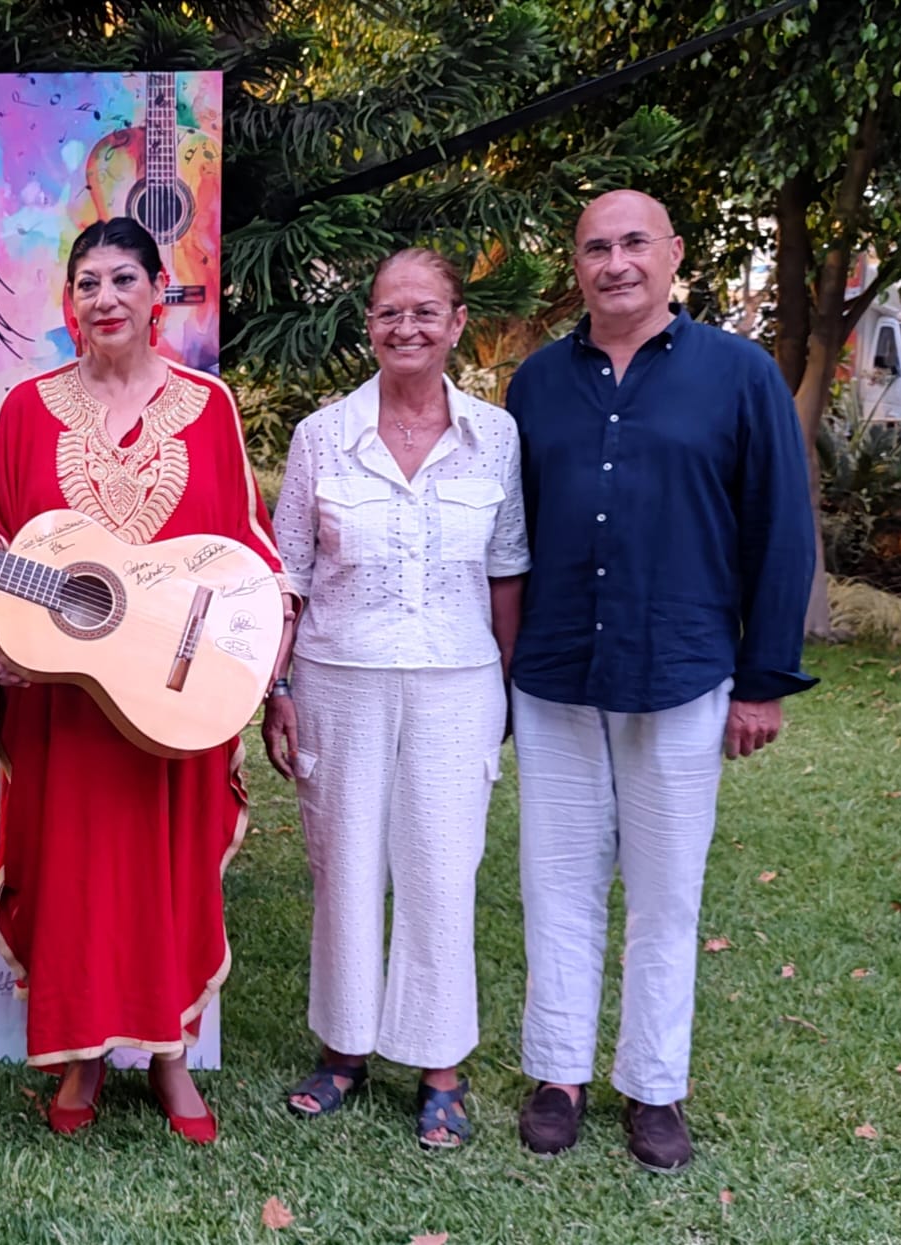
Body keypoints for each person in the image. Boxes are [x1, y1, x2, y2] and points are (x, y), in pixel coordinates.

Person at [0, 216, 293, 1144]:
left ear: (157, 292)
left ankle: (172, 1058)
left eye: (122, 280)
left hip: (175, 695)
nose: (104, 299)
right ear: (70, 302)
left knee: (170, 868)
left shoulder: (208, 404)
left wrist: (259, 661)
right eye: (87, 283)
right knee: (72, 873)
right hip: (67, 700)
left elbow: (248, 549)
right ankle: (78, 1060)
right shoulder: (25, 409)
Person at [505, 190, 816, 1171]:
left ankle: (653, 1088)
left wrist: (759, 681)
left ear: (672, 254)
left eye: (632, 243)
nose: (614, 263)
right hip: (554, 675)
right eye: (594, 247)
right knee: (554, 887)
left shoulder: (738, 375)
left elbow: (779, 530)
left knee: (663, 897)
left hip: (680, 671)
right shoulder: (535, 385)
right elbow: (509, 535)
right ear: (576, 264)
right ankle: (557, 1074)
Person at [266, 248, 528, 1149]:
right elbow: (288, 575)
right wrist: (278, 685)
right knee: (342, 864)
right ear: (367, 325)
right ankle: (343, 1050)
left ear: (457, 323)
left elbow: (507, 570)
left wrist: (507, 683)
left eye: (425, 311)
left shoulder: (494, 435)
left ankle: (440, 1064)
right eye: (388, 313)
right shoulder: (321, 437)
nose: (405, 328)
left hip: (459, 684)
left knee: (441, 869)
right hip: (340, 678)